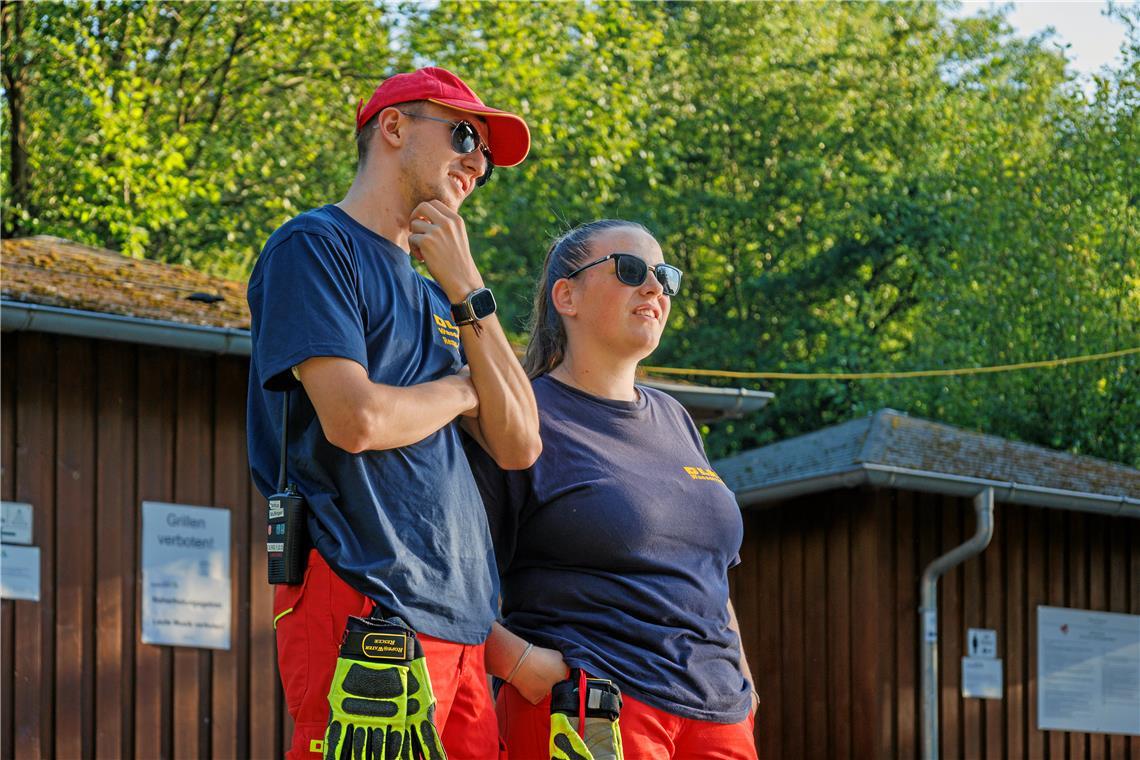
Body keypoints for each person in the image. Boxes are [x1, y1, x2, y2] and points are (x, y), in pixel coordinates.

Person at [246, 67, 542, 760]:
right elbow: (357, 421)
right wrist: (464, 390)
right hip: (361, 597)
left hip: (464, 621)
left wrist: (468, 285)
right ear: (394, 127)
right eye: (465, 134)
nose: (477, 160)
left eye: (488, 159)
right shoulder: (314, 246)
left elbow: (521, 441)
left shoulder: (444, 298)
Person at [466, 220, 760, 759]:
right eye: (630, 270)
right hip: (591, 710)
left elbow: (712, 571)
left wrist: (741, 673)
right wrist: (520, 665)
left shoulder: (676, 419)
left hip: (720, 715)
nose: (654, 288)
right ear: (566, 296)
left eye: (664, 276)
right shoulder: (520, 417)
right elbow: (444, 569)